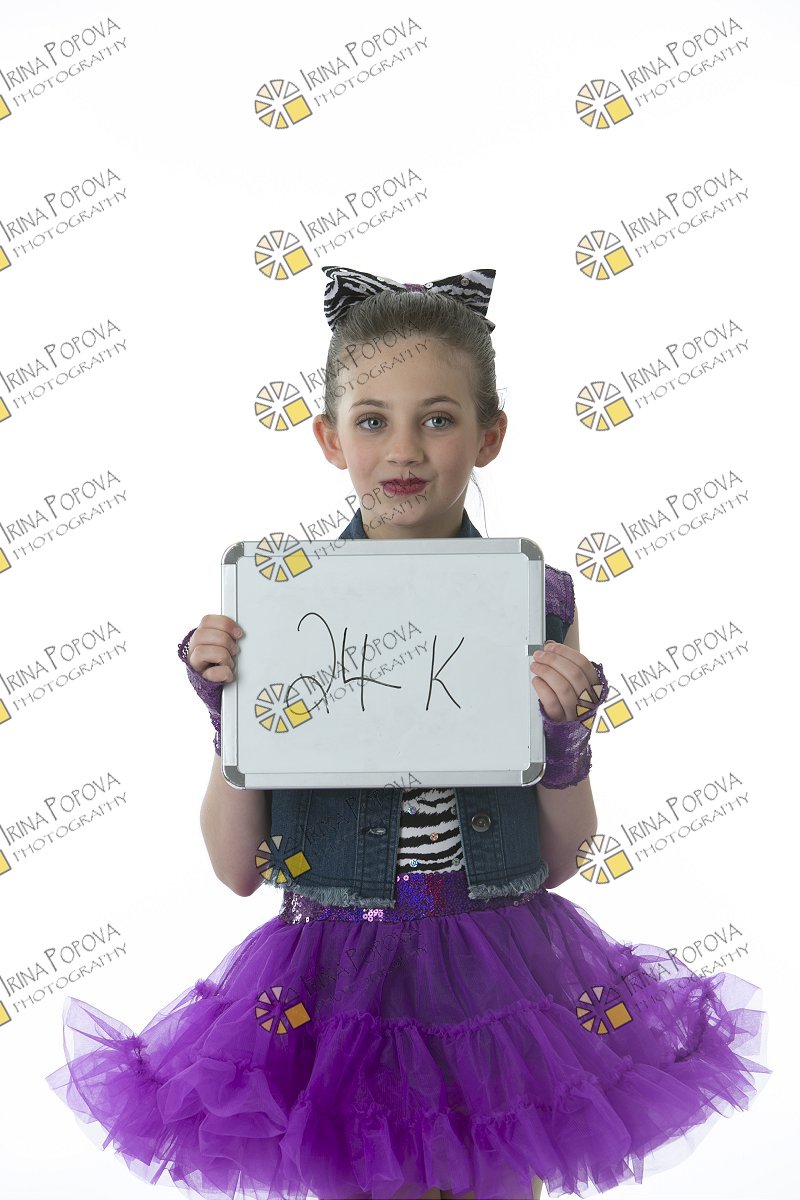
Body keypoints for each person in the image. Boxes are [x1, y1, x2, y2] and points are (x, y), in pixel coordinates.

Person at [44, 265, 771, 1200]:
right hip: (330, 977)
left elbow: (562, 859)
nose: (404, 449)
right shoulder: (277, 606)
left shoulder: (536, 601)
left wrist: (564, 740)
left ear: (489, 435)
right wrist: (232, 722)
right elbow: (235, 871)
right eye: (372, 420)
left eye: (437, 418)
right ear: (328, 438)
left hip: (499, 973)